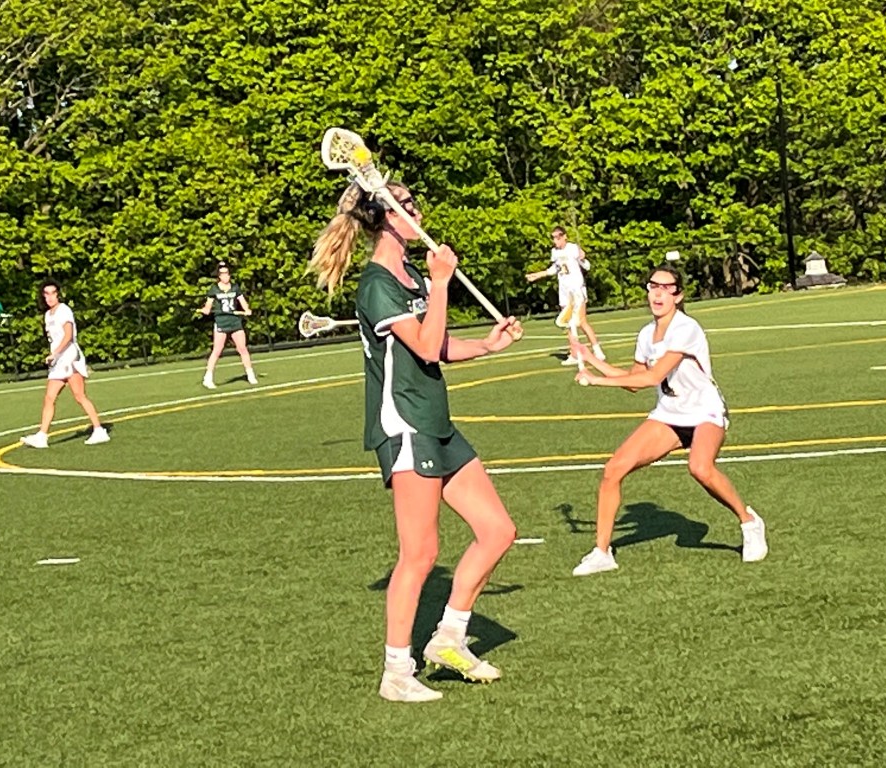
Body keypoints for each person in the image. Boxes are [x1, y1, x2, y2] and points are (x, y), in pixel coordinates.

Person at [309, 181, 522, 703]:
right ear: (384, 217)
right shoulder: (378, 284)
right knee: (420, 554)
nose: (417, 214)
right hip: (405, 425)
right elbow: (425, 346)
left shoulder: (410, 276)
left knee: (498, 530)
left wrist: (486, 345)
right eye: (407, 207)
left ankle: (448, 637)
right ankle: (396, 672)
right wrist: (442, 282)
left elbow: (437, 343)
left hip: (436, 421)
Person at [569, 265, 767, 575]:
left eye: (666, 288)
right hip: (669, 414)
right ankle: (602, 552)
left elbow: (652, 377)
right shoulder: (646, 334)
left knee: (700, 468)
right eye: (653, 287)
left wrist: (595, 380)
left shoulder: (686, 329)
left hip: (704, 411)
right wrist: (592, 359)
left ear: (678, 295)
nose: (658, 294)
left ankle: (749, 521)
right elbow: (633, 381)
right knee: (613, 470)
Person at [20, 280, 110, 448]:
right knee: (49, 398)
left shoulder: (64, 310)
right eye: (46, 294)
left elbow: (68, 336)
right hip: (58, 361)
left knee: (79, 396)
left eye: (53, 293)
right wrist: (54, 356)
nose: (49, 297)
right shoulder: (48, 315)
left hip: (69, 357)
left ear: (58, 294)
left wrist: (55, 353)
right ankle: (42, 436)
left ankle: (99, 430)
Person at [525, 226, 605, 364]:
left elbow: (587, 266)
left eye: (558, 237)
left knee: (581, 322)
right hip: (564, 291)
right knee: (568, 324)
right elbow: (554, 269)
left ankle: (597, 350)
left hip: (576, 289)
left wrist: (583, 258)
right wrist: (537, 275)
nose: (555, 241)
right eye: (553, 238)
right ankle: (574, 354)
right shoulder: (554, 252)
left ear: (564, 236)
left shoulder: (573, 248)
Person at [198, 262, 257, 388]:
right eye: (223, 274)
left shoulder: (235, 288)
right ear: (219, 276)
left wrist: (247, 310)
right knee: (217, 350)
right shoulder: (214, 289)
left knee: (242, 348)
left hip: (234, 320)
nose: (225, 276)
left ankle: (250, 374)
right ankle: (208, 378)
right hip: (221, 321)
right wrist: (205, 310)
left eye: (227, 273)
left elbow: (242, 301)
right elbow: (208, 306)